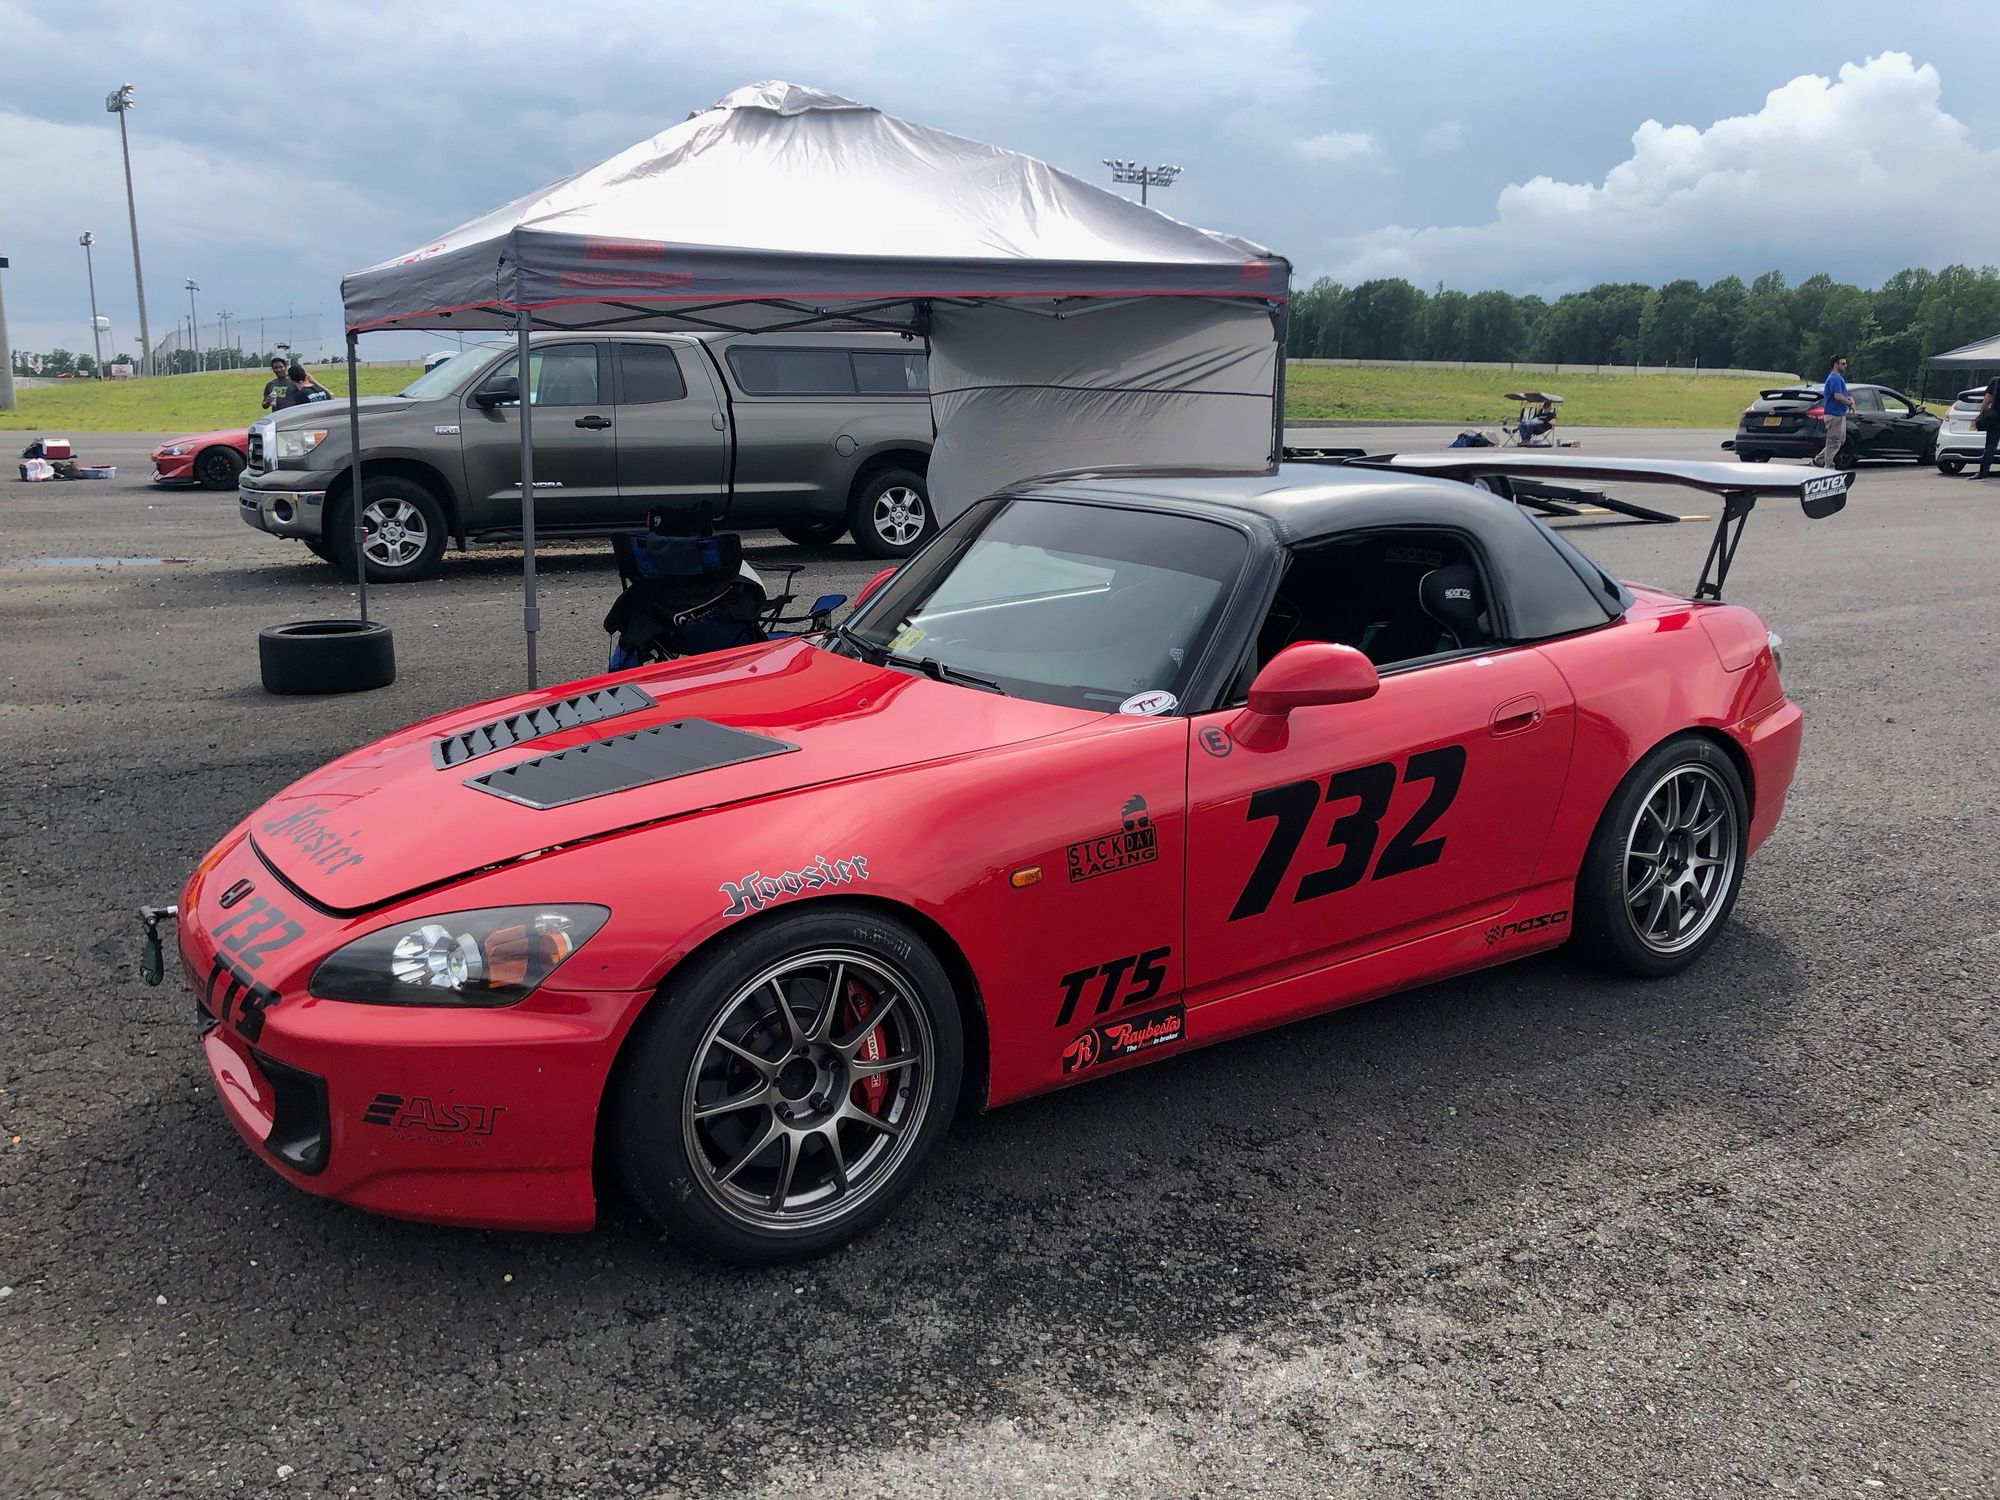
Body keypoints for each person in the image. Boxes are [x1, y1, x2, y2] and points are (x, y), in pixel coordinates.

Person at [1816, 354, 1855, 467]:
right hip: (1834, 415)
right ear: (1835, 365)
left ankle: (1818, 460)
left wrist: (1849, 399)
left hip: (1839, 414)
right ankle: (1828, 466)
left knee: (1840, 441)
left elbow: (1842, 395)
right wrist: (1849, 403)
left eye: (1845, 363)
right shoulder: (1835, 378)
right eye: (1842, 363)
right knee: (1834, 441)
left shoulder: (1838, 378)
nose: (1845, 366)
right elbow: (1838, 396)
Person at [1976, 374, 2000, 481]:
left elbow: (1987, 400)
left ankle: (1983, 472)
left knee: (1990, 446)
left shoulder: (1996, 381)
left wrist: (1982, 414)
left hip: (1996, 418)